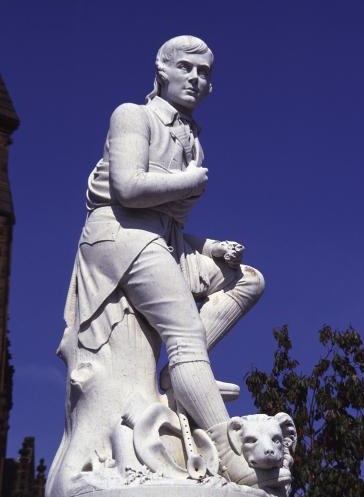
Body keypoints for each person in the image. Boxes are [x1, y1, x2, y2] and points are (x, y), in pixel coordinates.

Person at [65, 35, 264, 433]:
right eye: (185, 68)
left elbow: (169, 223)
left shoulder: (194, 143)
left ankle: (181, 373)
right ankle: (228, 445)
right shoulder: (132, 116)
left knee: (248, 280)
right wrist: (188, 182)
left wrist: (212, 247)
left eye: (203, 73)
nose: (194, 78)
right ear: (162, 72)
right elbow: (128, 189)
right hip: (120, 234)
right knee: (185, 333)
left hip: (164, 240)